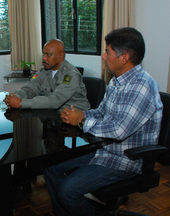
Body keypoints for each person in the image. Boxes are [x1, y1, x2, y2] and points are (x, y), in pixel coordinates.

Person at [44, 27, 163, 216]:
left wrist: (82, 123)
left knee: (67, 191)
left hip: (125, 160)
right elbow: (101, 113)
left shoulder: (141, 87)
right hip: (104, 150)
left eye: (108, 52)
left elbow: (118, 131)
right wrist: (81, 115)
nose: (103, 56)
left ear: (124, 58)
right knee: (50, 167)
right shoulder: (118, 81)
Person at [4, 39, 90, 111]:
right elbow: (31, 87)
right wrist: (16, 96)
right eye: (44, 54)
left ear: (60, 56)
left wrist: (21, 103)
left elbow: (55, 101)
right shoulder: (44, 70)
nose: (44, 58)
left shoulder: (71, 75)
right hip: (53, 115)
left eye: (48, 55)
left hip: (75, 117)